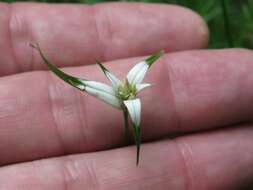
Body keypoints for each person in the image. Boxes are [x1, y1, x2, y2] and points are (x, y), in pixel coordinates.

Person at [0, 2, 252, 189]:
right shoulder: (125, 95)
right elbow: (84, 84)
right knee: (80, 83)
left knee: (87, 86)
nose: (128, 91)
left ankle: (137, 143)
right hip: (121, 96)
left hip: (127, 98)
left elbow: (139, 75)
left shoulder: (132, 96)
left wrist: (152, 62)